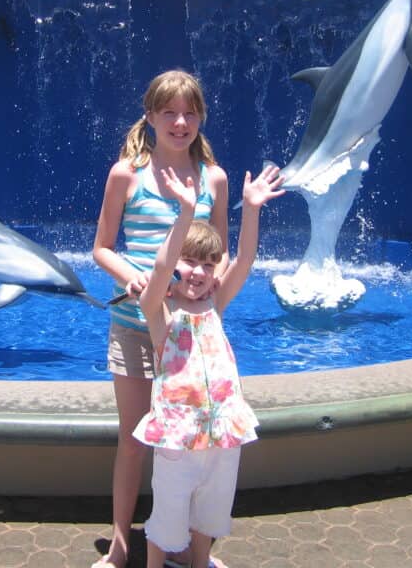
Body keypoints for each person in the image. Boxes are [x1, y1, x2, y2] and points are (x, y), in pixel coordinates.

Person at [92, 70, 229, 568]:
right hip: (134, 324)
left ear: (201, 118)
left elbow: (221, 254)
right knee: (133, 440)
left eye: (190, 112)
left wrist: (213, 293)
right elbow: (102, 248)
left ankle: (187, 547)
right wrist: (134, 276)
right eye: (169, 112)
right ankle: (122, 543)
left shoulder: (213, 178)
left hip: (191, 337)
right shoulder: (126, 174)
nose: (180, 121)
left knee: (194, 445)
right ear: (149, 116)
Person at [135, 164, 285, 568]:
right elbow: (162, 269)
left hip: (222, 430)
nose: (199, 272)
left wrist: (251, 210)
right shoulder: (159, 312)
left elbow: (246, 259)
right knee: (167, 513)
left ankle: (199, 562)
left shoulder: (216, 305)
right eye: (190, 262)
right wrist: (185, 213)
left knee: (211, 510)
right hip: (176, 436)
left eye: (208, 264)